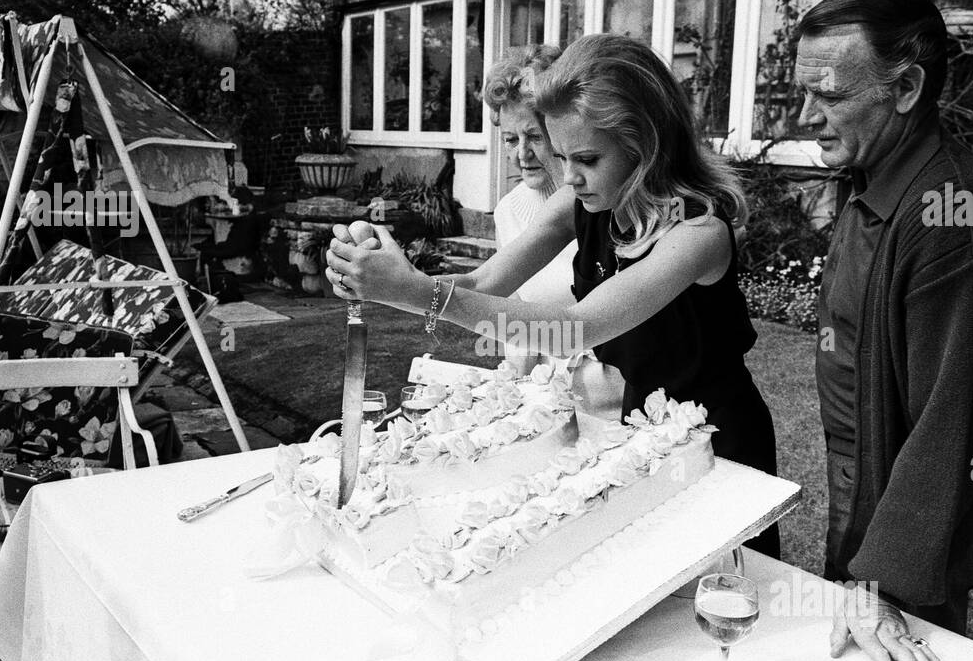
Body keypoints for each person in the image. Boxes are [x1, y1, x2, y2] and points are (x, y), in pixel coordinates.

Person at [326, 33, 781, 559]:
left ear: (645, 144)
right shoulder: (581, 201)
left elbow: (573, 330)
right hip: (642, 435)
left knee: (723, 600)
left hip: (720, 446)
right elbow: (482, 284)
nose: (568, 176)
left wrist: (414, 292)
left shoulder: (697, 234)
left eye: (586, 157)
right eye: (561, 155)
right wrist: (388, 280)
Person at [792, 0, 973, 661]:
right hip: (861, 491)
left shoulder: (949, 213)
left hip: (907, 534)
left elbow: (951, 419)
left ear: (906, 87)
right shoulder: (878, 176)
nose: (807, 116)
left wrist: (883, 583)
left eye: (829, 95)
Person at [483, 44, 578, 371]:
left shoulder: (595, 203)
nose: (521, 154)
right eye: (510, 140)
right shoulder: (507, 212)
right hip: (545, 392)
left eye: (534, 137)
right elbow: (513, 322)